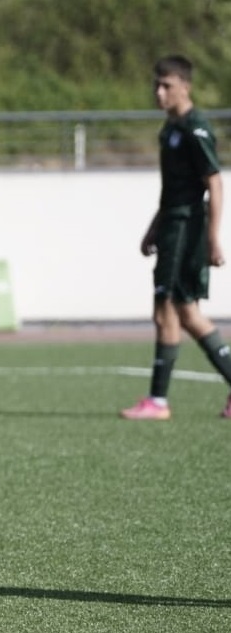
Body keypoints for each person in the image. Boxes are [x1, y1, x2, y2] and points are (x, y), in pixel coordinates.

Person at [120, 54, 231, 420]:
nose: (159, 92)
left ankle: (158, 401)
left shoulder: (195, 129)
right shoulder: (170, 128)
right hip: (171, 225)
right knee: (183, 312)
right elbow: (173, 190)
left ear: (186, 86)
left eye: (166, 85)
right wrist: (154, 227)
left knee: (170, 309)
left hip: (186, 228)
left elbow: (214, 184)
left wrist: (213, 238)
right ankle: (158, 400)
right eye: (156, 84)